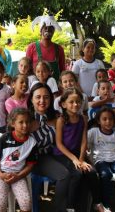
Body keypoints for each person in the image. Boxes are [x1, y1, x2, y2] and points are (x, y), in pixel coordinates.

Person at [54, 88, 108, 212]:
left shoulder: (83, 118)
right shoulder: (61, 120)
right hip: (63, 154)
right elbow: (59, 144)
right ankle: (70, 206)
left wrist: (82, 159)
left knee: (91, 172)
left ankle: (97, 202)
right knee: (77, 174)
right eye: (71, 102)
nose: (75, 104)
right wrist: (75, 160)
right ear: (63, 104)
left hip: (78, 154)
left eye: (78, 101)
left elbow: (84, 140)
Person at [28, 83, 70, 212]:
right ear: (31, 99)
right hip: (32, 159)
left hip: (52, 155)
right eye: (38, 97)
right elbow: (9, 139)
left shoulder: (56, 116)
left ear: (51, 99)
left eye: (46, 97)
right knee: (64, 175)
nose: (42, 101)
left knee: (79, 173)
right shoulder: (25, 118)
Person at [0, 108, 37, 212]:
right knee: (0, 203)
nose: (25, 125)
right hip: (0, 174)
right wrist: (0, 174)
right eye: (21, 122)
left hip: (18, 175)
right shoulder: (4, 138)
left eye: (28, 122)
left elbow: (30, 165)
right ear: (13, 124)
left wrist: (19, 176)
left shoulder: (32, 143)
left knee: (26, 202)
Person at [26, 15, 65, 81]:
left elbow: (62, 70)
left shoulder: (59, 49)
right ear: (40, 31)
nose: (48, 30)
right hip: (36, 87)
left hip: (54, 87)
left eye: (50, 28)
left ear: (53, 31)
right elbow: (26, 69)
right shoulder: (31, 47)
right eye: (45, 28)